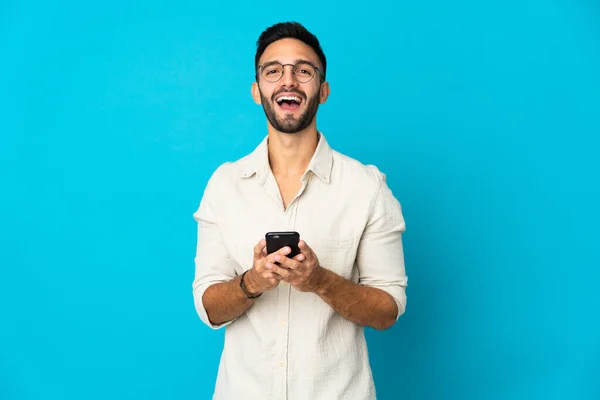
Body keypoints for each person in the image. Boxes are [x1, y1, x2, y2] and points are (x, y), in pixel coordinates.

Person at [192, 21, 408, 400]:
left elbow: (387, 310)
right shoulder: (224, 185)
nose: (288, 80)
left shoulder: (367, 187)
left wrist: (320, 280)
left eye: (303, 70)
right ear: (257, 91)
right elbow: (209, 306)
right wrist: (252, 283)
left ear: (322, 91)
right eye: (273, 70)